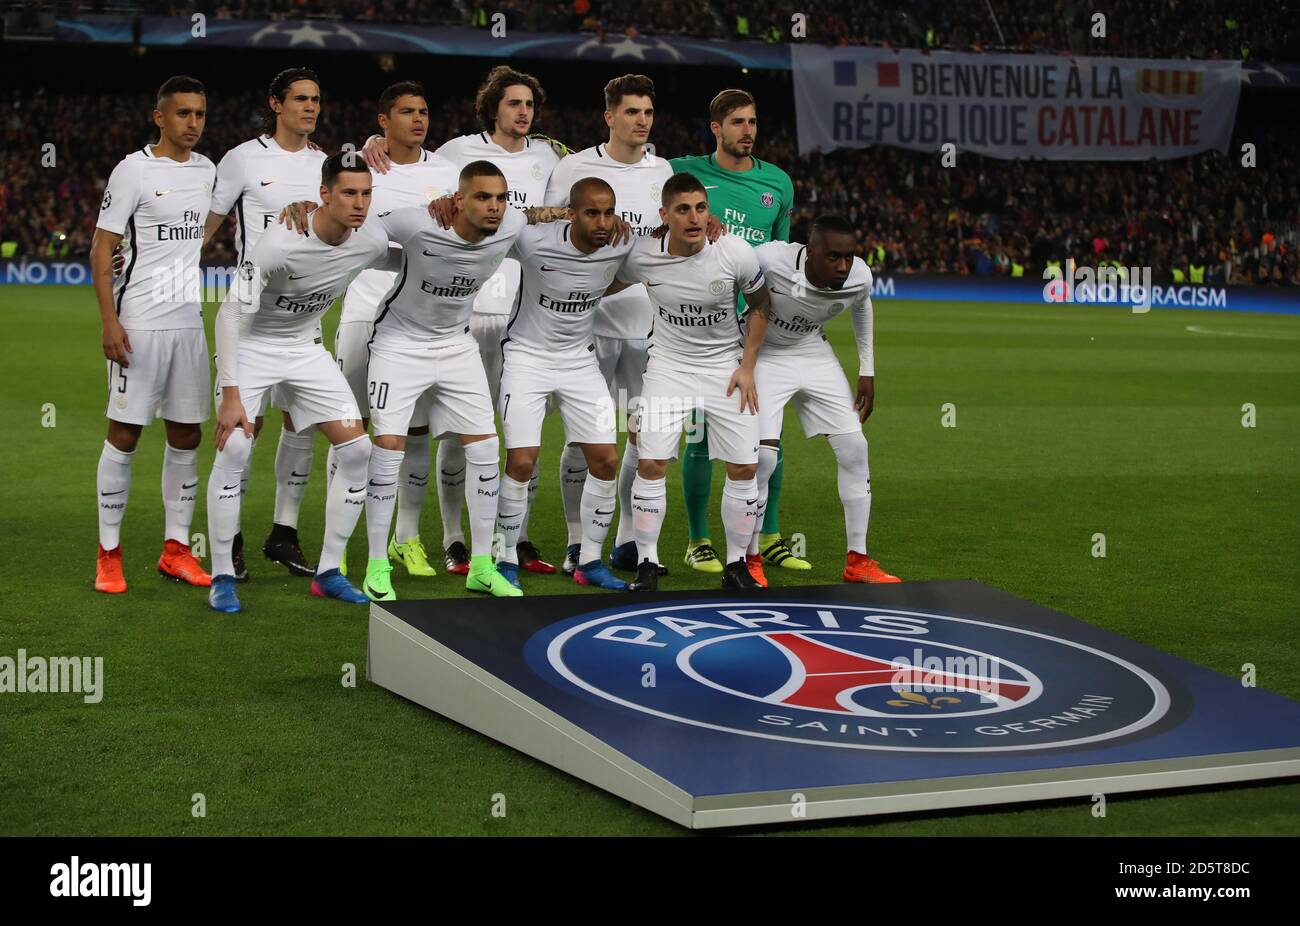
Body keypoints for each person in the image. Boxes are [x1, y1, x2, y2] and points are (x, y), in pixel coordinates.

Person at [206, 151, 397, 613]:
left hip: (304, 347)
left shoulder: (370, 238)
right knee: (234, 447)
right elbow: (230, 313)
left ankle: (330, 571)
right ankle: (222, 577)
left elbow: (416, 249)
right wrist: (231, 394)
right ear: (324, 194)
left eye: (366, 193)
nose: (359, 203)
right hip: (251, 346)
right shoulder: (279, 242)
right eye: (348, 193)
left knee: (357, 450)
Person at [607, 172, 773, 592]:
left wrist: (748, 365)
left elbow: (760, 305)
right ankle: (648, 563)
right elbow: (605, 283)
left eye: (701, 207)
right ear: (665, 215)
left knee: (745, 468)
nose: (695, 217)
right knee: (651, 462)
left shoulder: (734, 252)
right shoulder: (642, 254)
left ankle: (736, 565)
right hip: (668, 368)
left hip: (725, 368)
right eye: (683, 209)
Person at [669, 88, 803, 580]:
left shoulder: (778, 183)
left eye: (753, 122)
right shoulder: (681, 171)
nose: (747, 130)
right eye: (738, 122)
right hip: (700, 325)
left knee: (768, 434)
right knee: (701, 435)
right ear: (716, 129)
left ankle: (766, 537)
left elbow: (783, 256)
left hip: (757, 325)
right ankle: (699, 540)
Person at [91, 75, 215, 595]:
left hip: (188, 321)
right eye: (183, 113)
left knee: (187, 434)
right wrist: (109, 320)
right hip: (138, 322)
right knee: (126, 433)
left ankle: (176, 550)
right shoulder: (132, 170)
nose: (193, 123)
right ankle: (109, 554)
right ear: (159, 117)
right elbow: (102, 248)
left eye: (200, 114)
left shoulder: (208, 171)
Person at [205, 67, 328, 579]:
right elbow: (204, 228)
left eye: (316, 99)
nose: (310, 107)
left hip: (304, 321)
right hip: (249, 319)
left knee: (301, 427)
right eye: (300, 98)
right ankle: (227, 542)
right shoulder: (242, 159)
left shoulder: (327, 164)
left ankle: (284, 533)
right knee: (240, 433)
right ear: (276, 104)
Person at [753, 216, 900, 583]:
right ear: (811, 251)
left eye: (849, 257)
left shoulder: (859, 277)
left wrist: (868, 369)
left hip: (813, 353)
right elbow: (727, 270)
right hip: (765, 356)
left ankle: (858, 561)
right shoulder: (771, 259)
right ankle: (748, 559)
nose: (843, 266)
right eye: (834, 257)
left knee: (855, 448)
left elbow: (863, 304)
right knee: (762, 459)